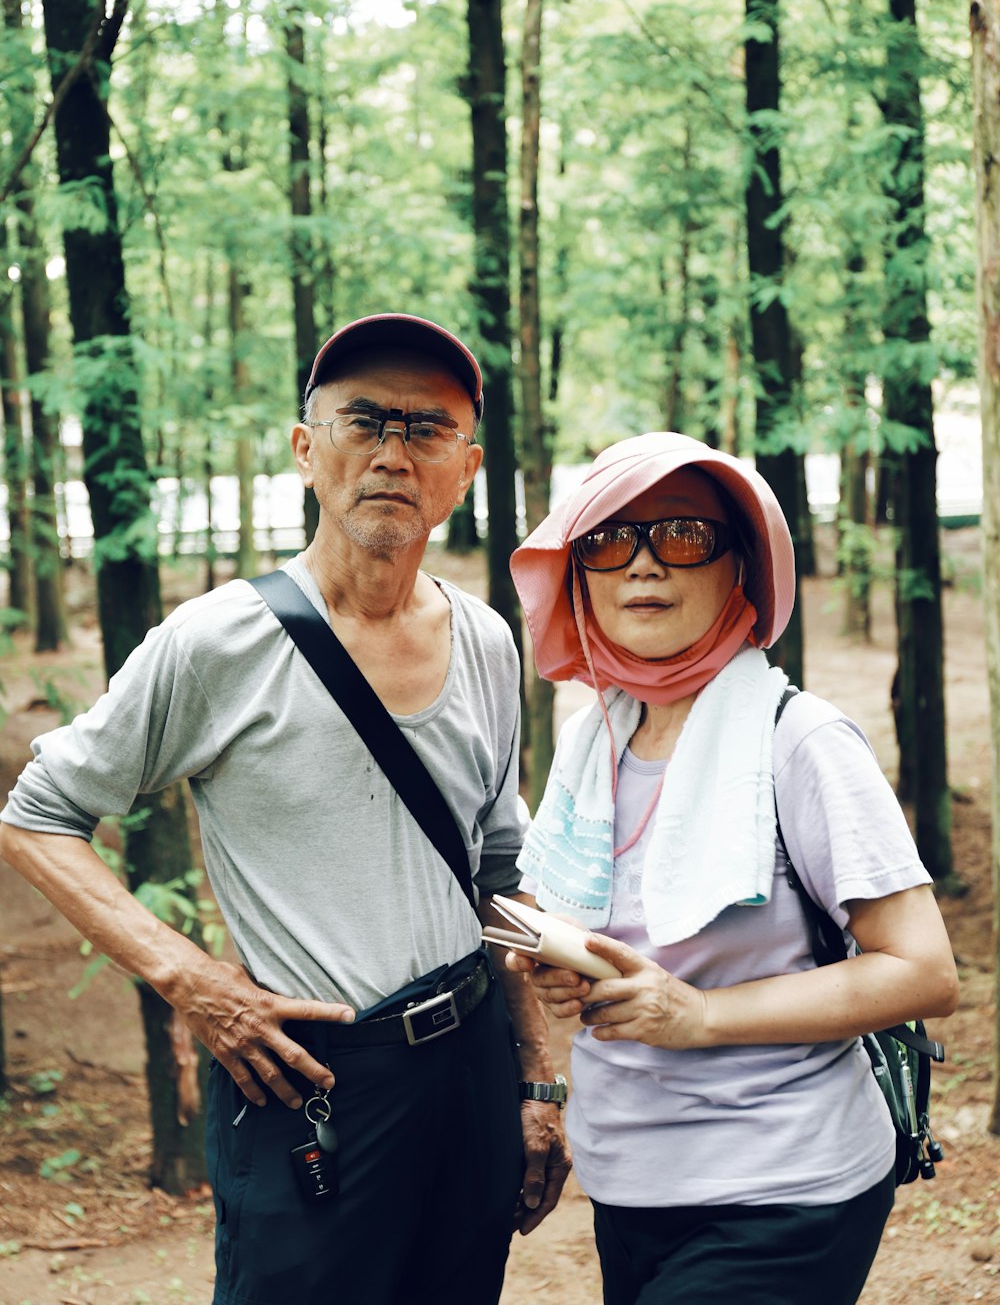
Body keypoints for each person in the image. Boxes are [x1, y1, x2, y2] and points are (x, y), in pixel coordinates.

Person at [0, 312, 570, 1305]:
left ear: (465, 468)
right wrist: (189, 979)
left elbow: (497, 874)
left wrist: (539, 1081)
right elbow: (36, 816)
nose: (393, 452)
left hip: (469, 1068)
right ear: (309, 450)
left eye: (424, 428)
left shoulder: (485, 639)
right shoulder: (217, 641)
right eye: (365, 420)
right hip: (311, 1080)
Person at [505, 431, 959, 1305]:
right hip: (631, 1179)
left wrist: (699, 1013)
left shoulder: (801, 742)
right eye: (606, 541)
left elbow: (926, 971)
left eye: (681, 536)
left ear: (741, 566)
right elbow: (580, 912)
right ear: (579, 576)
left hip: (784, 1187)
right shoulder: (590, 738)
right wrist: (570, 971)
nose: (641, 566)